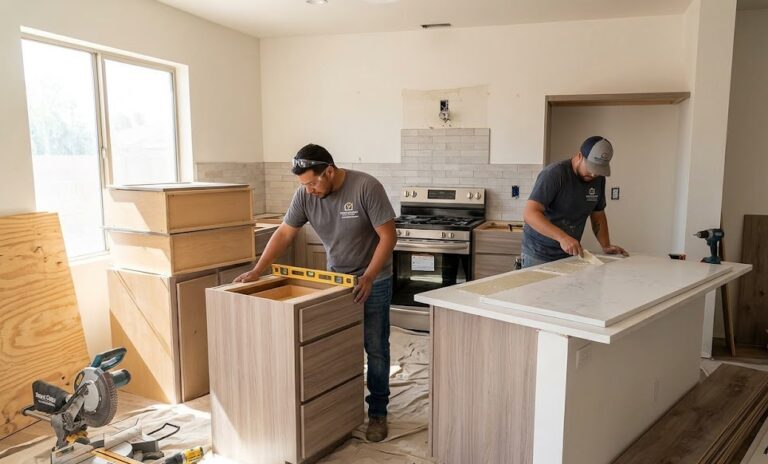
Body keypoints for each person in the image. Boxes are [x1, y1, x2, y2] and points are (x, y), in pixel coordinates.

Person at [234, 143, 397, 442]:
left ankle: (377, 411)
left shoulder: (366, 187)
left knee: (374, 347)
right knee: (336, 345)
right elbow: (284, 232)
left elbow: (389, 236)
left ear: (330, 171)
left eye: (311, 182)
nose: (308, 190)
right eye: (303, 184)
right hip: (335, 280)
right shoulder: (304, 196)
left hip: (373, 279)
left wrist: (370, 276)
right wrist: (257, 271)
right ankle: (340, 406)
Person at [521, 136, 628, 268]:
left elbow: (598, 215)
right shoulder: (554, 174)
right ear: (579, 156)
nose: (594, 175)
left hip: (568, 254)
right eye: (591, 167)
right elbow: (530, 213)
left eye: (598, 170)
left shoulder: (598, 179)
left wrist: (605, 245)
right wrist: (562, 238)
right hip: (539, 254)